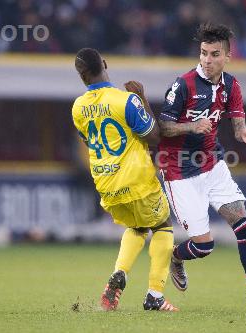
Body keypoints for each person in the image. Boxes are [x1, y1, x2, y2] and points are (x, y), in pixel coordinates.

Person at [157, 23, 246, 313]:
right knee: (204, 246)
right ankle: (176, 257)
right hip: (178, 170)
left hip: (213, 164)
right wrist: (191, 125)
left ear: (227, 56)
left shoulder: (232, 86)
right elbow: (162, 126)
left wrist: (244, 133)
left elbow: (237, 126)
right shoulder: (183, 84)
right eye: (203, 53)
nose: (207, 60)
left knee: (244, 226)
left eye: (213, 54)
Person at [71, 48, 178, 312]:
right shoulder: (126, 101)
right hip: (138, 182)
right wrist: (141, 98)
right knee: (163, 226)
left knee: (138, 228)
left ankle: (119, 273)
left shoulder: (78, 107)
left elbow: (90, 141)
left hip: (107, 187)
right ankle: (154, 295)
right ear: (105, 64)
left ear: (81, 75)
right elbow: (154, 136)